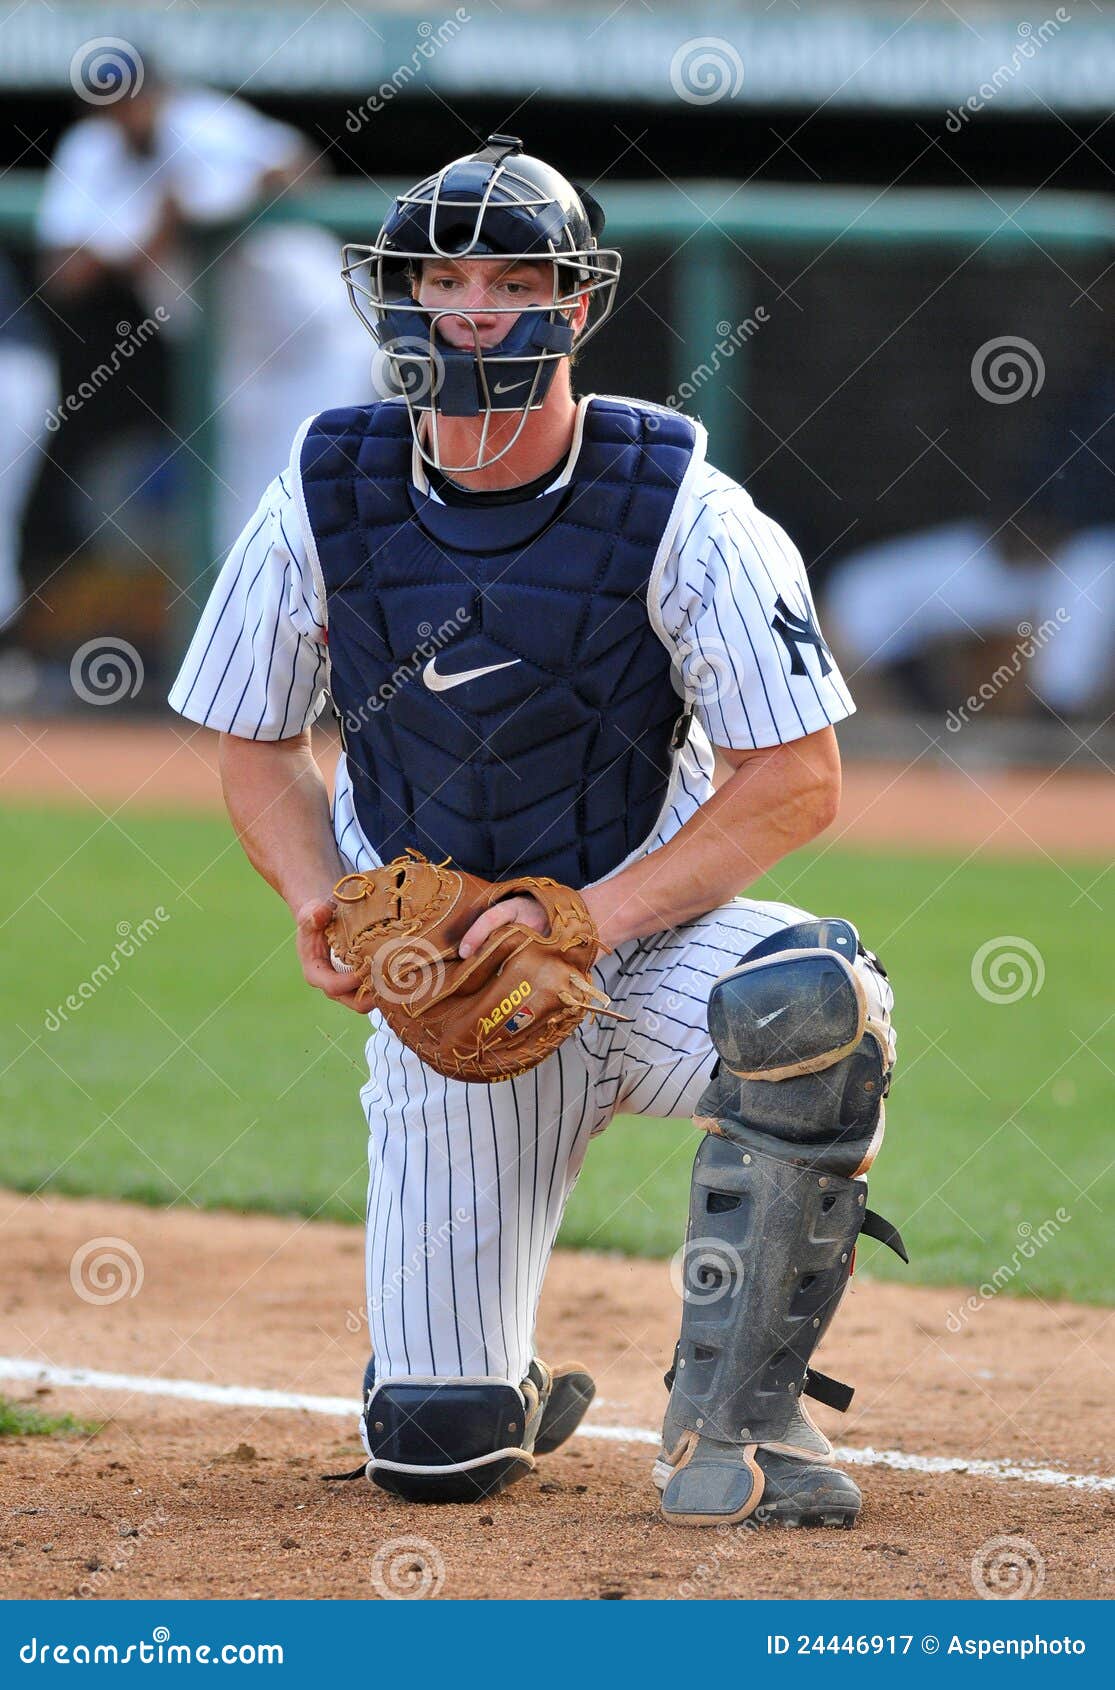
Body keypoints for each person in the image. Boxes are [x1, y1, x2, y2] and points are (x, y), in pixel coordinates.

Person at [169, 136, 902, 1529]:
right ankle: (490, 1384)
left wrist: (586, 916)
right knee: (434, 1454)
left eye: (514, 280)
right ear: (393, 301)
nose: (475, 309)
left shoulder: (678, 504)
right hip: (451, 991)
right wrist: (320, 899)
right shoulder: (323, 493)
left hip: (651, 948)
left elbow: (795, 777)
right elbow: (254, 748)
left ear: (575, 304)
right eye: (440, 279)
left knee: (815, 1006)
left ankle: (741, 1405)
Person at [37, 48, 370, 553]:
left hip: (316, 343)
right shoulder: (92, 150)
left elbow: (300, 169)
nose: (127, 112)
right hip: (236, 363)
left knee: (326, 514)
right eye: (110, 104)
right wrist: (153, 227)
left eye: (135, 97)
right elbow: (63, 274)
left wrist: (212, 199)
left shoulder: (200, 120)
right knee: (239, 536)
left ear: (159, 91)